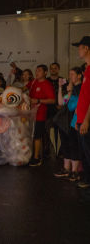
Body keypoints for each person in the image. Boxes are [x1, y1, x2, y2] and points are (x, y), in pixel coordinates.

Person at [54, 67, 82, 181]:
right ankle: (66, 169)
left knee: (73, 144)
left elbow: (76, 105)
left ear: (79, 75)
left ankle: (75, 171)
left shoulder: (81, 88)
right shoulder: (71, 88)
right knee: (65, 144)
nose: (70, 76)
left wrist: (70, 91)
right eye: (69, 74)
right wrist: (61, 88)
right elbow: (62, 102)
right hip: (64, 121)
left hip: (74, 120)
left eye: (72, 74)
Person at [29, 64, 56, 166]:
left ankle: (37, 157)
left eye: (39, 70)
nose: (37, 72)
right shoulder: (34, 82)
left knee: (37, 135)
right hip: (31, 114)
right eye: (36, 70)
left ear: (45, 73)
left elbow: (53, 100)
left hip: (40, 114)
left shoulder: (47, 84)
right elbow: (24, 88)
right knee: (31, 135)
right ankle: (32, 155)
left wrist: (39, 100)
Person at [72, 37, 90, 192]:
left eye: (80, 47)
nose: (78, 50)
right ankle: (86, 178)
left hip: (86, 121)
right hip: (81, 119)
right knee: (85, 152)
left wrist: (86, 121)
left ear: (87, 49)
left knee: (88, 152)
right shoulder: (88, 70)